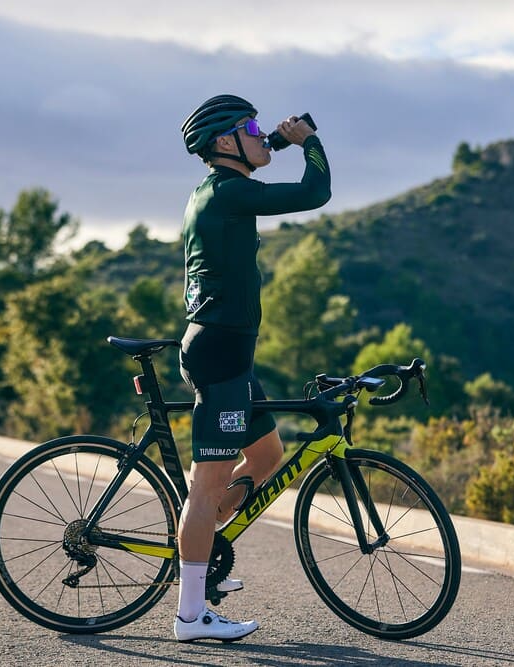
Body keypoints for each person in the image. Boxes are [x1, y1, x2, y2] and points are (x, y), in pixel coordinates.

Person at [174, 94, 331, 642]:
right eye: (251, 126)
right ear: (224, 142)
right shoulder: (231, 193)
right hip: (219, 354)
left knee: (266, 456)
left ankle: (208, 548)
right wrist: (309, 143)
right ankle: (191, 615)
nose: (262, 133)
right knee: (207, 485)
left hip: (227, 351)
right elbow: (316, 192)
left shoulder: (214, 191)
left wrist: (276, 142)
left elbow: (259, 155)